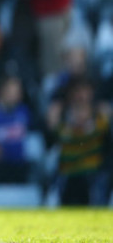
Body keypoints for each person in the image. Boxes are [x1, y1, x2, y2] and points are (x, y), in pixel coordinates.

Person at [46, 76, 112, 205]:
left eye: (85, 91)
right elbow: (51, 139)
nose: (82, 95)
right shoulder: (62, 116)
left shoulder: (100, 117)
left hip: (92, 172)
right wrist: (52, 125)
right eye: (78, 91)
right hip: (68, 172)